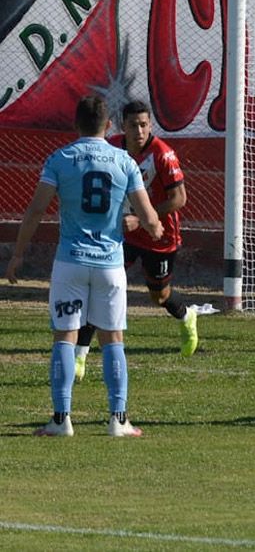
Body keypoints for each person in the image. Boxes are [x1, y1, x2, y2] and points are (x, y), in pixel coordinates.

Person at [5, 95, 163, 437]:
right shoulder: (124, 161)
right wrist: (154, 226)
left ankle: (61, 420)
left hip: (71, 262)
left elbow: (35, 210)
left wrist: (18, 254)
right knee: (113, 338)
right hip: (109, 265)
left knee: (65, 336)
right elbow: (149, 216)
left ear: (76, 125)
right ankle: (118, 420)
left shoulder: (60, 159)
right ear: (108, 126)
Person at [73, 100, 198, 382]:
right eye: (133, 125)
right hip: (122, 233)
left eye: (144, 125)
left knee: (160, 296)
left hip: (159, 235)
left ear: (150, 125)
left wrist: (143, 219)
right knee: (99, 287)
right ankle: (79, 356)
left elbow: (179, 198)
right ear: (122, 127)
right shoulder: (112, 147)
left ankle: (186, 315)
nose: (139, 131)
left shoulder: (163, 155)